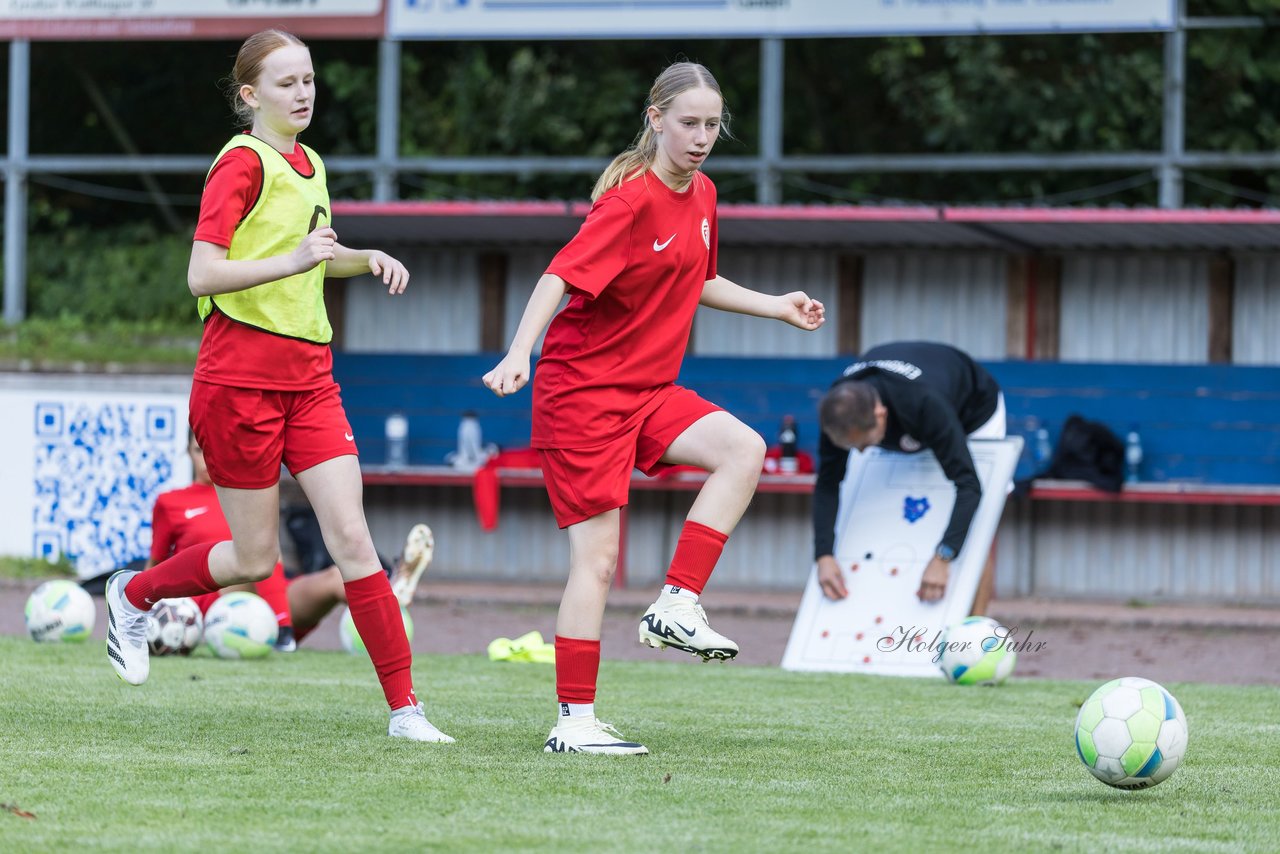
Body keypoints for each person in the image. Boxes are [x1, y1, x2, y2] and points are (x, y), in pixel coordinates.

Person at [104, 29, 452, 743]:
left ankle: (405, 711)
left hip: (311, 380)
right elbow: (204, 274)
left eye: (310, 80)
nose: (304, 93)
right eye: (287, 82)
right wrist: (297, 259)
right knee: (253, 559)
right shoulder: (239, 163)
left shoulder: (311, 162)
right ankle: (131, 594)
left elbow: (313, 260)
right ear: (249, 94)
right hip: (238, 382)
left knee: (354, 540)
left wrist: (364, 258)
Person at [483, 61, 825, 755]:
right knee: (598, 563)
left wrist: (777, 307)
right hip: (581, 396)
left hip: (646, 390)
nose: (701, 138)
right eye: (689, 123)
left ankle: (677, 603)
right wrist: (521, 351)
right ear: (656, 120)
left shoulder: (703, 193)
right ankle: (574, 723)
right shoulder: (628, 203)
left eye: (711, 126)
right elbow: (557, 277)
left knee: (744, 449)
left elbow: (698, 277)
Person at [812, 341, 1004, 611]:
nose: (862, 451)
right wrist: (823, 555)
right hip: (910, 414)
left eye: (864, 444)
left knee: (975, 525)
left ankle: (973, 628)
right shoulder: (838, 413)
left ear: (880, 416)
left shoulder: (924, 404)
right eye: (852, 447)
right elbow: (828, 484)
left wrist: (943, 557)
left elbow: (970, 486)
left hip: (974, 411)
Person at [145, 431, 298, 651]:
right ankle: (284, 631)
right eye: (199, 450)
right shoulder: (170, 501)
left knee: (332, 578)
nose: (207, 459)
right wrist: (140, 604)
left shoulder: (248, 496)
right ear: (189, 453)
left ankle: (286, 629)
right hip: (208, 594)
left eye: (213, 451)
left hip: (264, 583)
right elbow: (156, 563)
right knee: (260, 555)